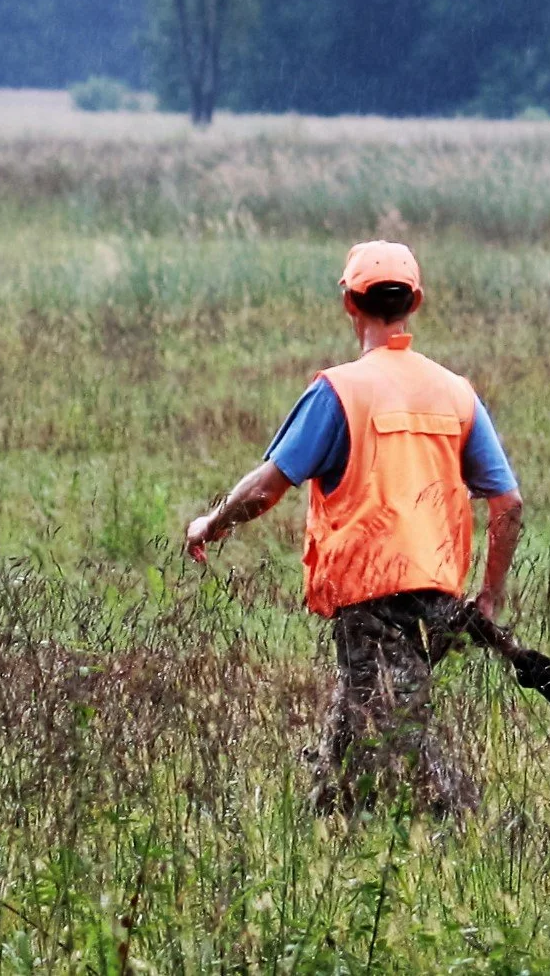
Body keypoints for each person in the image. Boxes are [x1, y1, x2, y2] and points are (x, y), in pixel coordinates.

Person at [182, 240, 524, 816]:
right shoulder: (455, 393)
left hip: (372, 601)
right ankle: (328, 828)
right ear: (415, 302)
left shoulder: (340, 391)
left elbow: (266, 489)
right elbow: (507, 504)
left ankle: (468, 829)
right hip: (439, 599)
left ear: (350, 305)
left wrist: (209, 524)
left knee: (399, 736)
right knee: (356, 725)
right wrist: (489, 597)